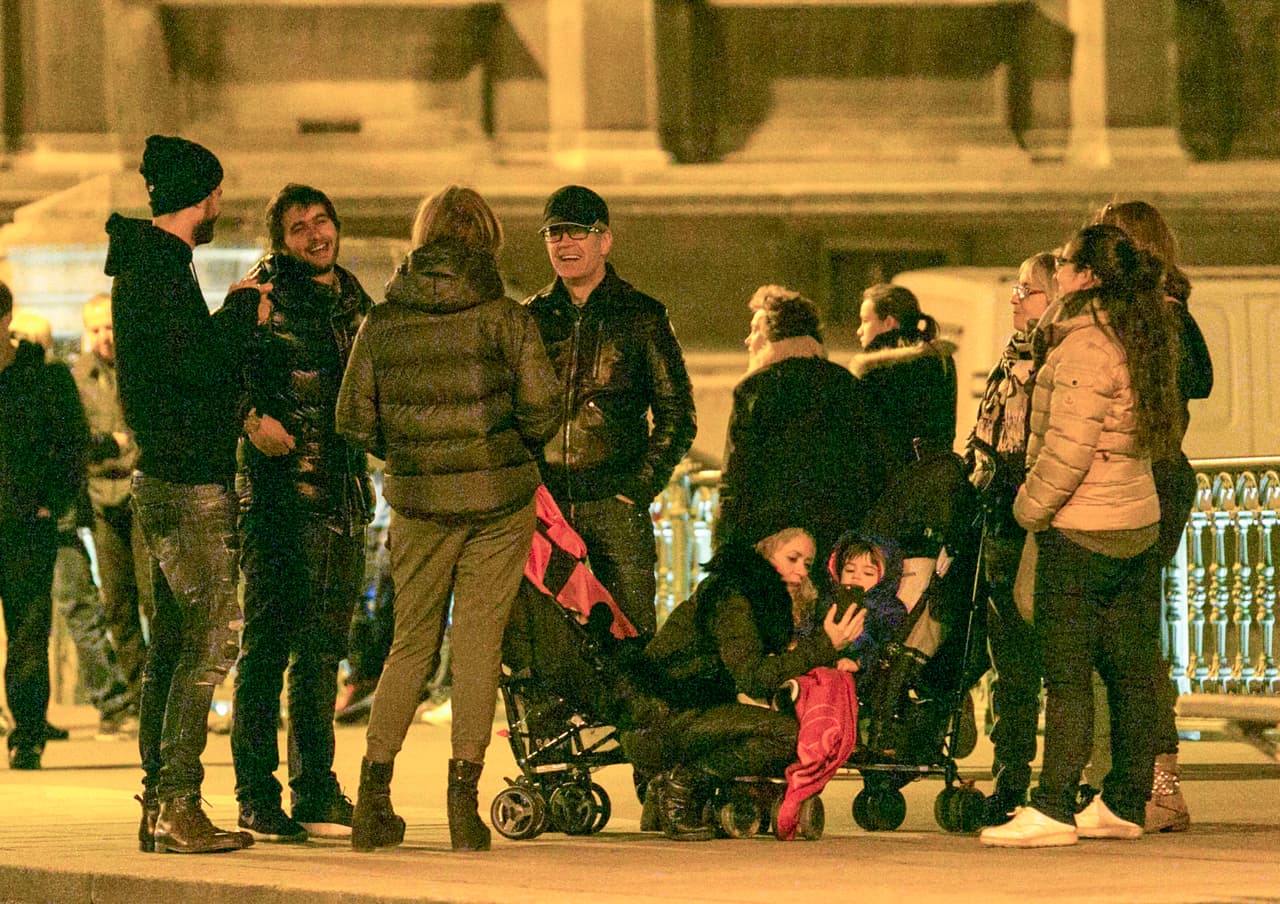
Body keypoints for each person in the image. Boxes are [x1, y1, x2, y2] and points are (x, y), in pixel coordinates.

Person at [337, 185, 560, 852]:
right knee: (477, 646)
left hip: (417, 503)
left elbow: (353, 419)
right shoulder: (507, 318)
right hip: (498, 501)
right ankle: (463, 806)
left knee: (410, 642)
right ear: (486, 239)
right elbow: (544, 411)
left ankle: (373, 798)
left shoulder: (381, 321)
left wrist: (409, 453)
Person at [980, 224, 1182, 847]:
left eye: (1065, 264)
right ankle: (1124, 799)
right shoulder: (1138, 334)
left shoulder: (1085, 347)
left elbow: (1067, 451)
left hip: (1083, 527)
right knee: (1129, 668)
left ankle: (1053, 806)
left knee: (1065, 674)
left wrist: (1028, 508)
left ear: (1087, 276)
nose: (1058, 272)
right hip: (1135, 522)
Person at [106, 134, 264, 854]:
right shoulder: (161, 269)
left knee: (173, 646)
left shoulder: (150, 266)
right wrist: (241, 316)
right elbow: (196, 369)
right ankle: (177, 802)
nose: (220, 205)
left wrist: (223, 312)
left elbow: (177, 359)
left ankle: (157, 804)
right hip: (187, 481)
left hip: (165, 476)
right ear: (200, 197)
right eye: (217, 194)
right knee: (208, 644)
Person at [230, 184, 375, 843]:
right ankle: (256, 795)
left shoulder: (355, 298)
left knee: (322, 653)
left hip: (342, 500)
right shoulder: (260, 297)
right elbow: (219, 372)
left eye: (322, 220)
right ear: (279, 239)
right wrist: (250, 418)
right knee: (266, 650)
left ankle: (315, 788)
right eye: (298, 227)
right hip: (278, 502)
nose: (315, 234)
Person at [525, 185, 697, 639]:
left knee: (631, 641)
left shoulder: (642, 316)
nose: (564, 244)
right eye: (553, 233)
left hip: (614, 508)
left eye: (577, 232)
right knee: (549, 642)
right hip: (546, 511)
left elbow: (678, 414)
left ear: (604, 241)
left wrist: (636, 489)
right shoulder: (531, 318)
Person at [1091, 200, 1213, 833]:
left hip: (1149, 481)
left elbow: (1194, 382)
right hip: (1142, 480)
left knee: (1132, 637)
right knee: (1122, 634)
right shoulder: (1152, 318)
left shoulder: (1161, 319)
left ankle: (1157, 782)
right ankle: (1131, 778)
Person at [636, 527, 864, 840]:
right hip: (661, 718)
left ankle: (667, 786)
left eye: (807, 564)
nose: (800, 571)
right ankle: (682, 785)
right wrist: (825, 646)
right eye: (792, 558)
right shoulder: (734, 598)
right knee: (788, 735)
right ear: (765, 551)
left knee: (775, 723)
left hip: (672, 714)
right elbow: (753, 677)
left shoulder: (756, 595)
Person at [13, 308, 138, 740]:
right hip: (50, 515)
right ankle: (110, 705)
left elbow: (68, 444)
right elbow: (71, 442)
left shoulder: (47, 383)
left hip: (51, 515)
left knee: (53, 617)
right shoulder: (54, 382)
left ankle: (36, 721)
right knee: (69, 613)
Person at [963, 252, 1056, 825]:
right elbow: (987, 429)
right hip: (999, 518)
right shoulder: (1011, 357)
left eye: (1028, 289)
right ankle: (1011, 776)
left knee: (1057, 659)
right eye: (1017, 288)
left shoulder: (1057, 358)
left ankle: (1066, 781)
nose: (1015, 297)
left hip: (1041, 520)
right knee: (1011, 666)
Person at [717, 286, 884, 571]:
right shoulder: (846, 385)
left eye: (755, 330)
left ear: (775, 337)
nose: (748, 340)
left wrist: (725, 546)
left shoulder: (755, 389)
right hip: (835, 540)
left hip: (771, 542)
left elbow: (737, 477)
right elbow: (868, 467)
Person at [0, 290, 88, 769]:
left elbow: (72, 443)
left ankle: (28, 733)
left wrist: (53, 504)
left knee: (30, 632)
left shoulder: (43, 378)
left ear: (6, 319)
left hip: (25, 524)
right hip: (22, 519)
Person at [73, 294, 151, 729]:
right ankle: (137, 693)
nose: (104, 336)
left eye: (109, 326)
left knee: (152, 597)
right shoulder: (78, 377)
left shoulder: (140, 366)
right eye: (96, 328)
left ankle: (158, 691)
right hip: (102, 497)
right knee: (118, 601)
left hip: (140, 492)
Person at [849, 283, 958, 478]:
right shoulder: (939, 359)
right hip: (934, 482)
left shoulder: (875, 369)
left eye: (865, 321)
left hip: (886, 487)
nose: (859, 330)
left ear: (889, 322)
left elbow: (861, 441)